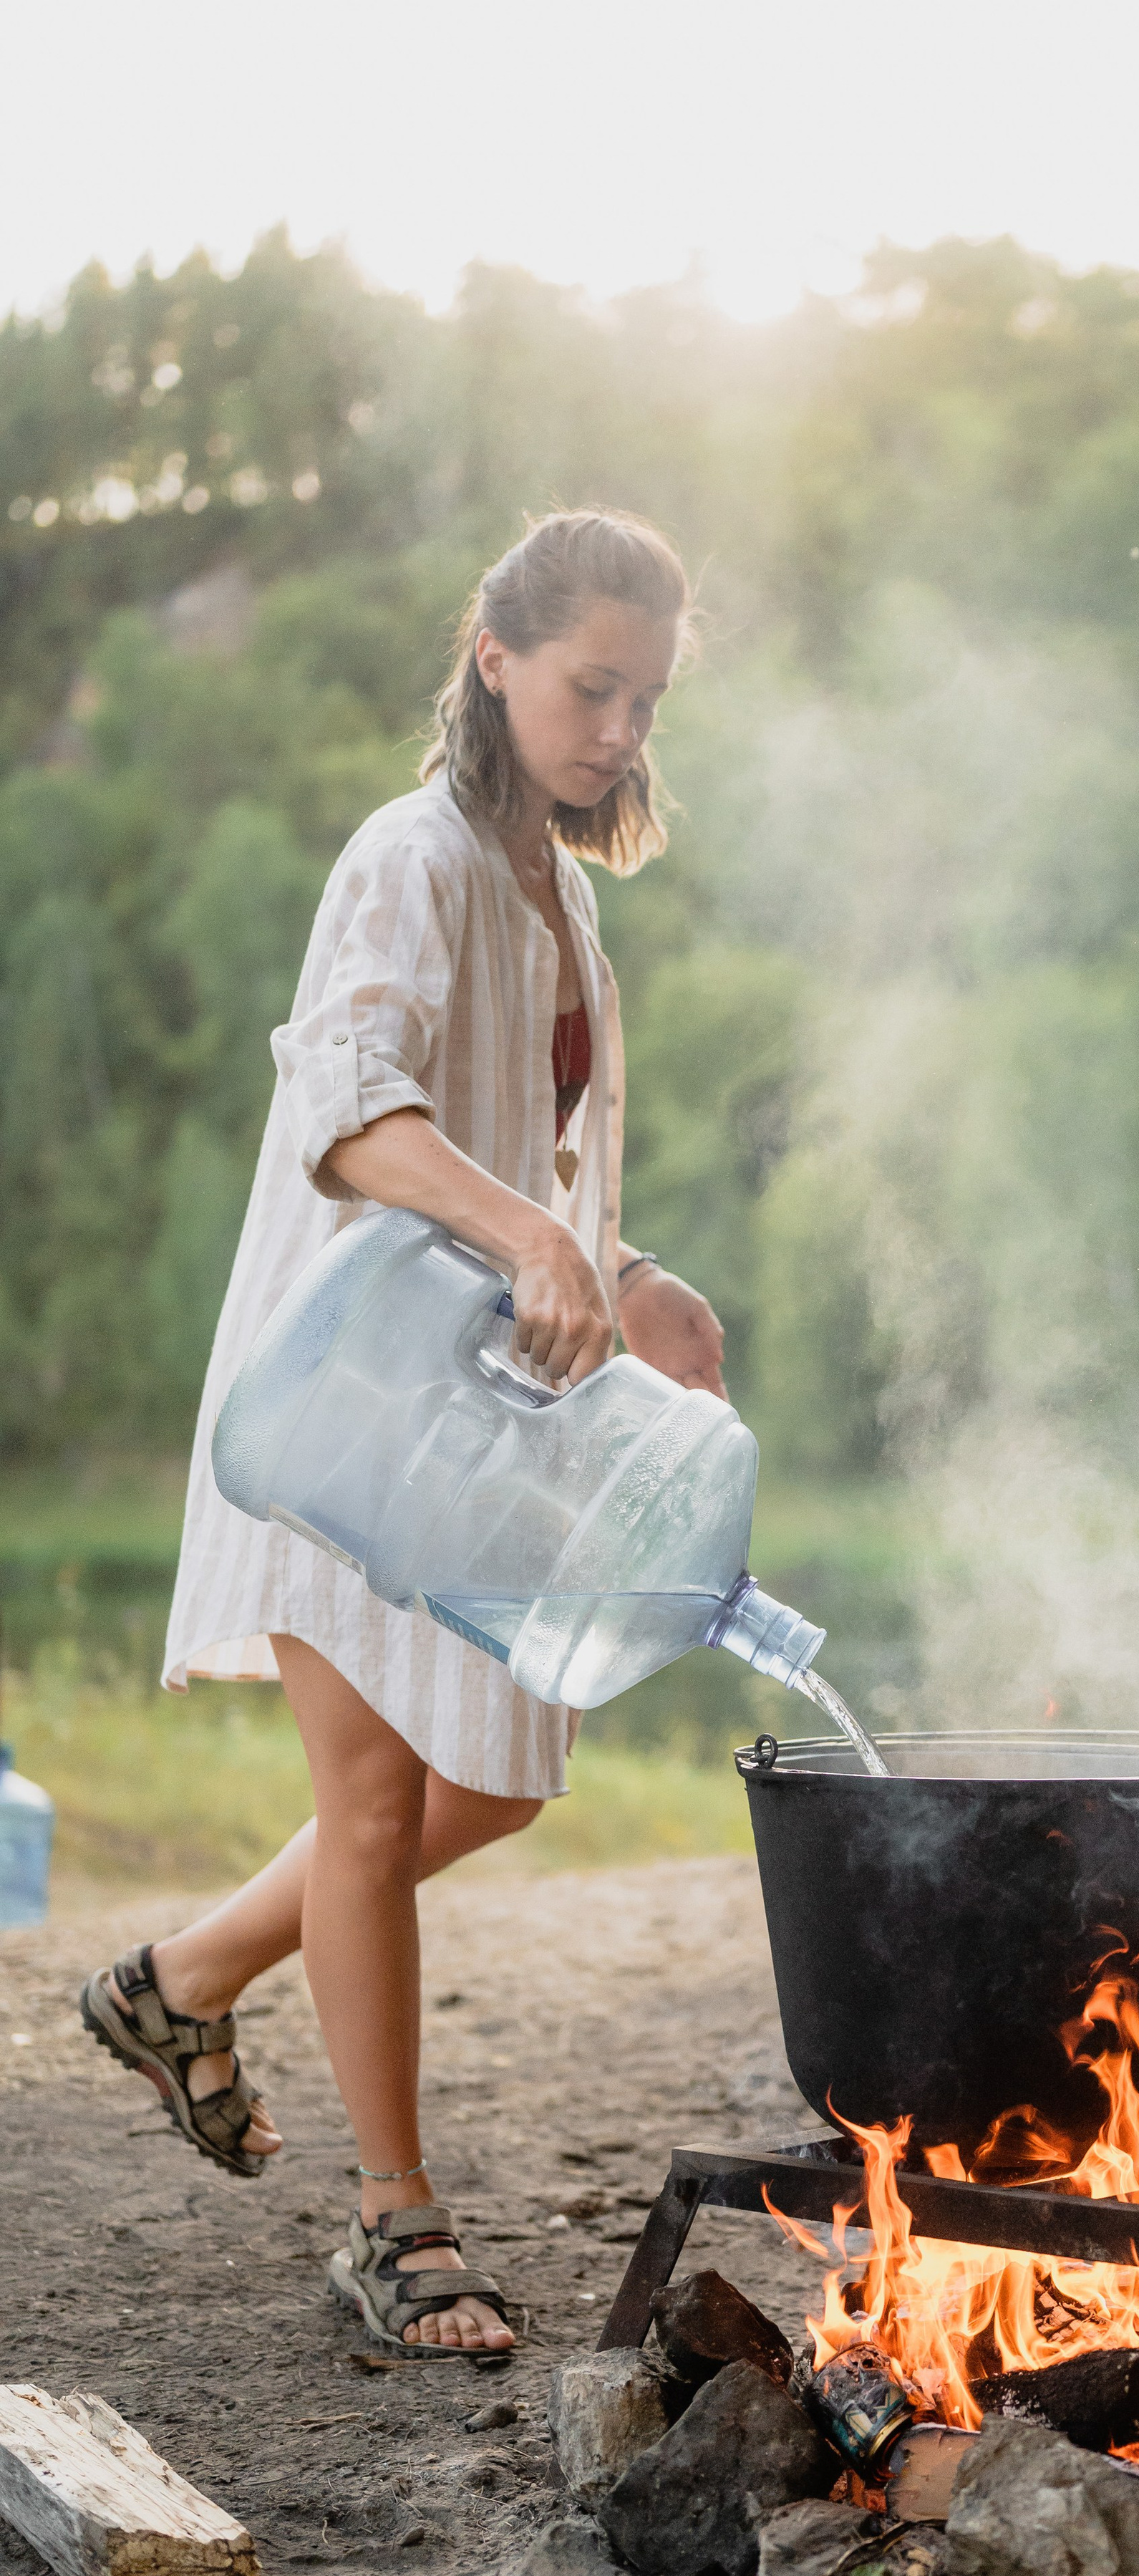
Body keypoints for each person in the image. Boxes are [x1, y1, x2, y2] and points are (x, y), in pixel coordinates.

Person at [80, 508, 725, 2357]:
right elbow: (358, 1118)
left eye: (645, 698)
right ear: (498, 656)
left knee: (504, 1777)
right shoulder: (411, 854)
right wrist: (533, 1238)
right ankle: (395, 2223)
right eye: (591, 686)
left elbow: (527, 1153)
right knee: (370, 1803)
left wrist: (632, 1269)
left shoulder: (561, 888)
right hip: (341, 1392)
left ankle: (182, 1978)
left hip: (472, 1412)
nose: (616, 727)